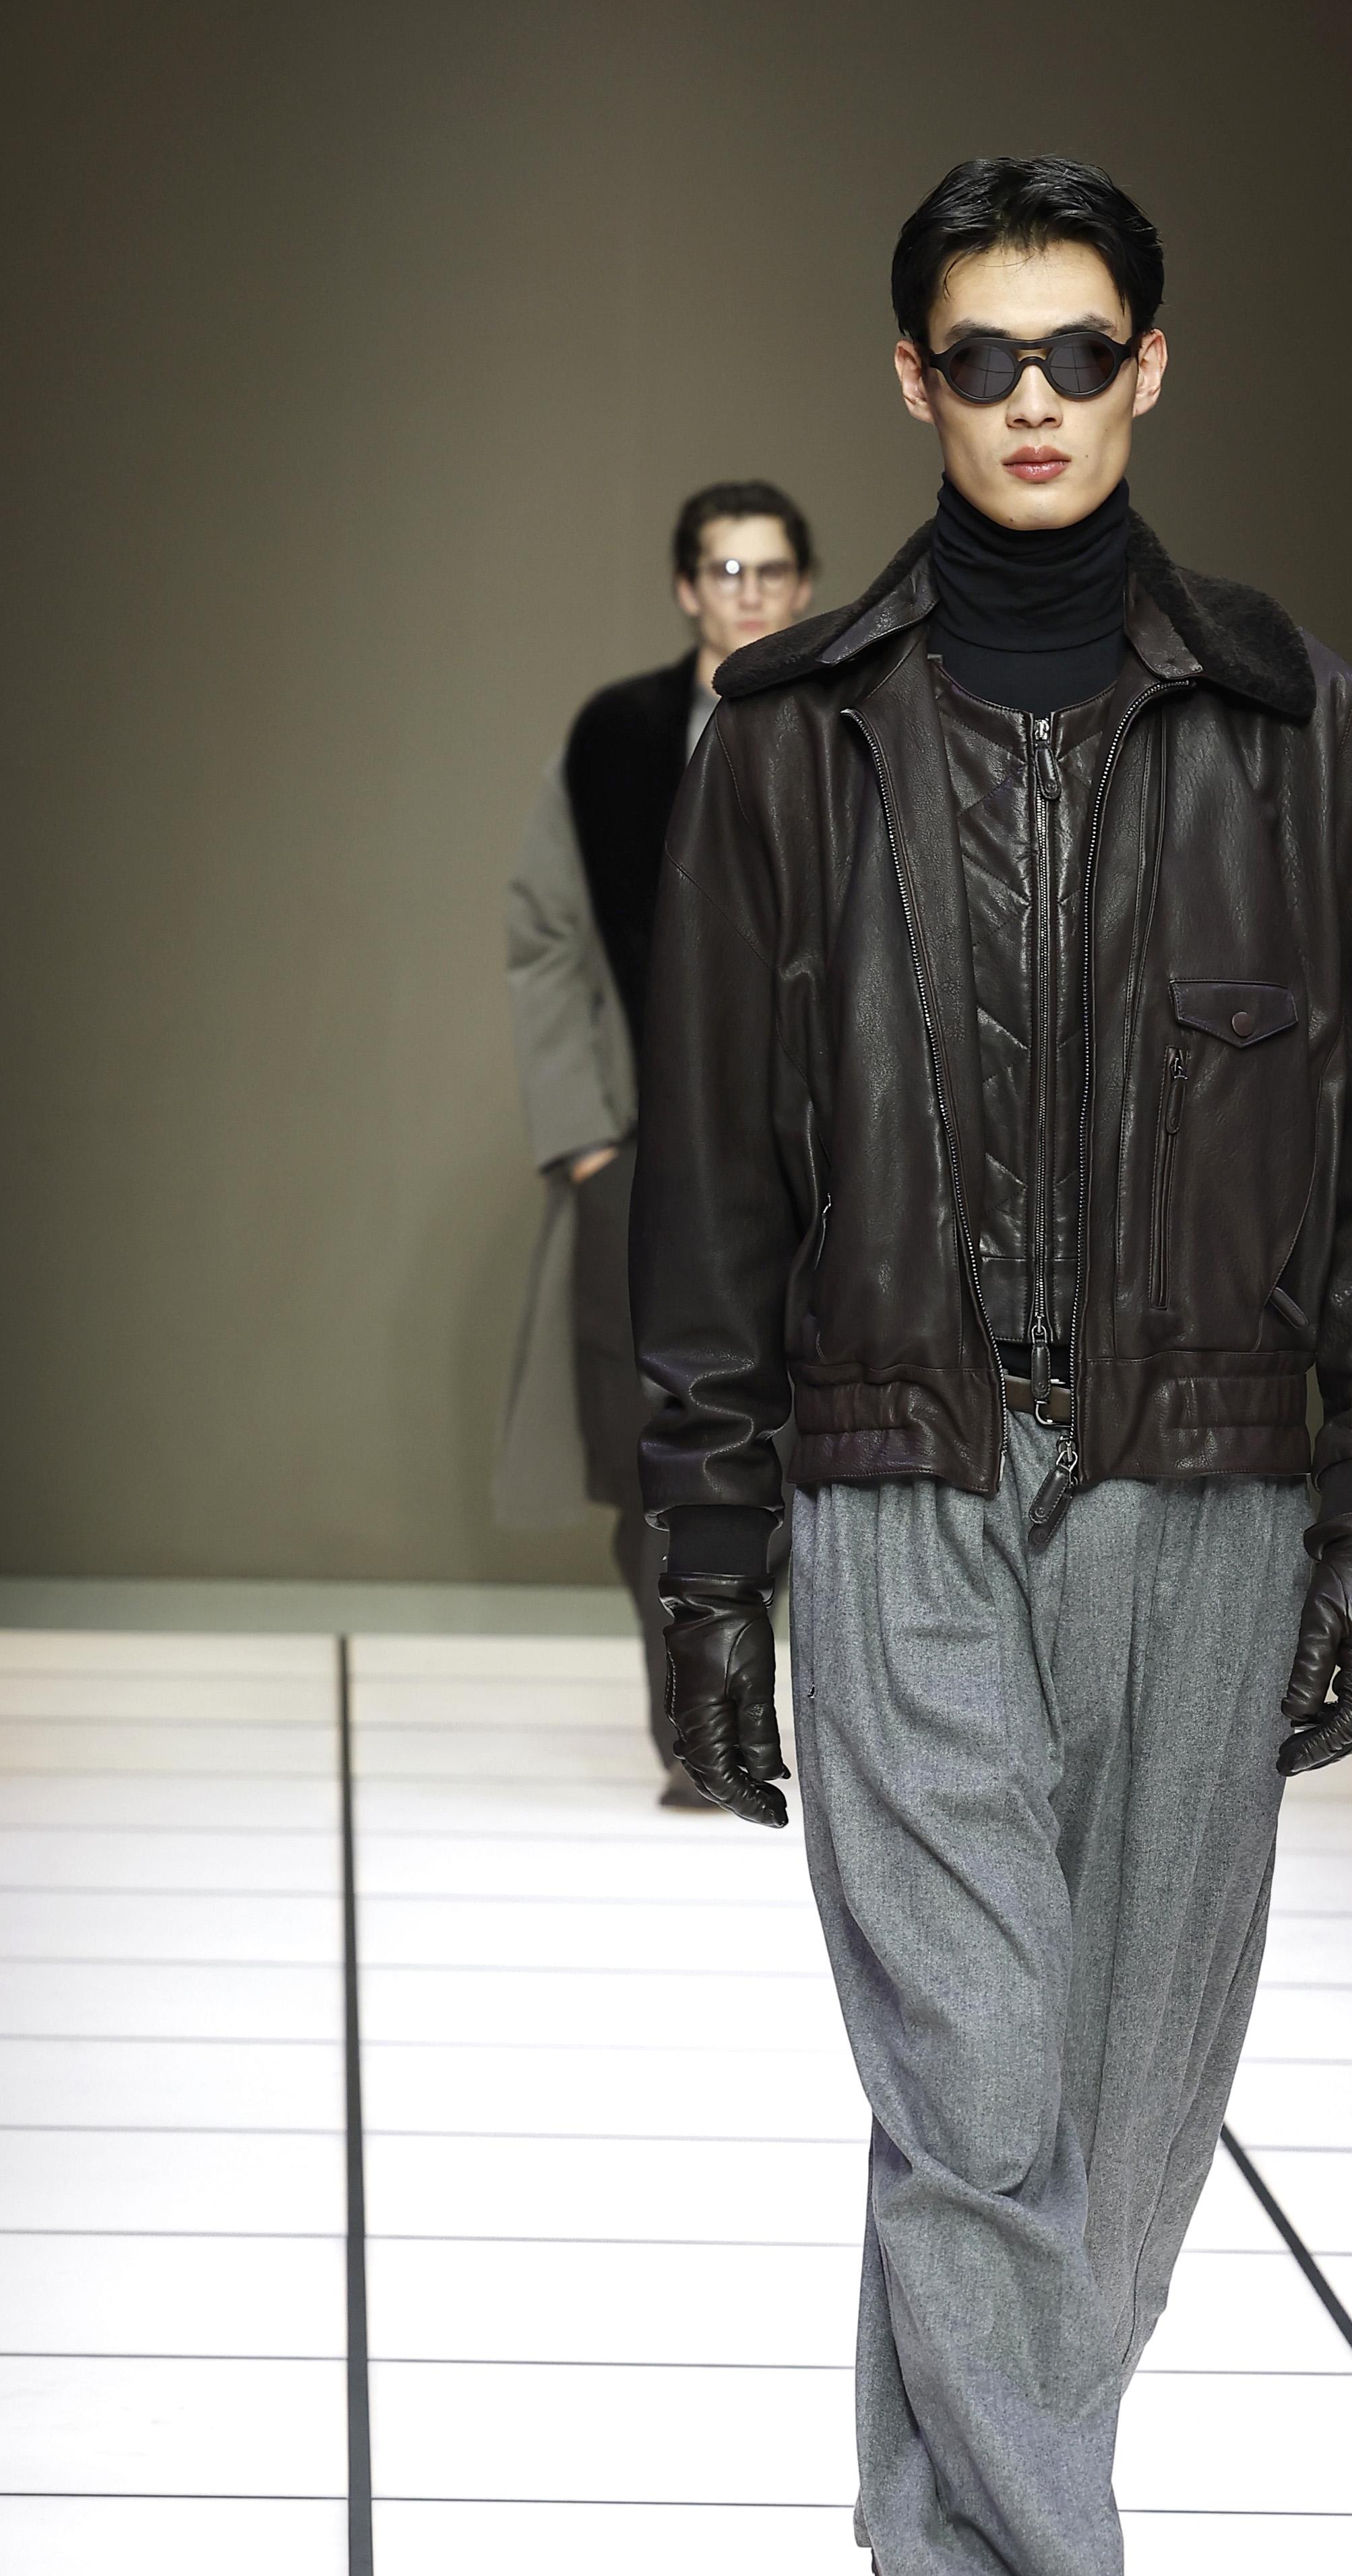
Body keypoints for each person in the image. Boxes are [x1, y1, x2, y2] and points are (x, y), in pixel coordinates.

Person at [629, 156, 1352, 2576]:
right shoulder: (789, 738)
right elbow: (708, 1180)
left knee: (1114, 2112)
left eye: (1074, 350)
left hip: (1204, 1475)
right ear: (910, 382)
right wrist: (698, 1550)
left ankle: (952, 2541)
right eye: (980, 356)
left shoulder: (1293, 722)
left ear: (1149, 368)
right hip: (889, 1465)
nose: (1029, 398)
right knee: (970, 2083)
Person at [495, 482, 815, 1797]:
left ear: (804, 585)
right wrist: (585, 1140)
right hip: (644, 1153)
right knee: (655, 1445)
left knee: (811, 1440)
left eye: (770, 571)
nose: (748, 594)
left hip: (814, 1157)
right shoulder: (616, 740)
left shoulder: (855, 725)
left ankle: (777, 1704)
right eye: (724, 571)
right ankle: (695, 1735)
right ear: (688, 589)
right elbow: (542, 932)